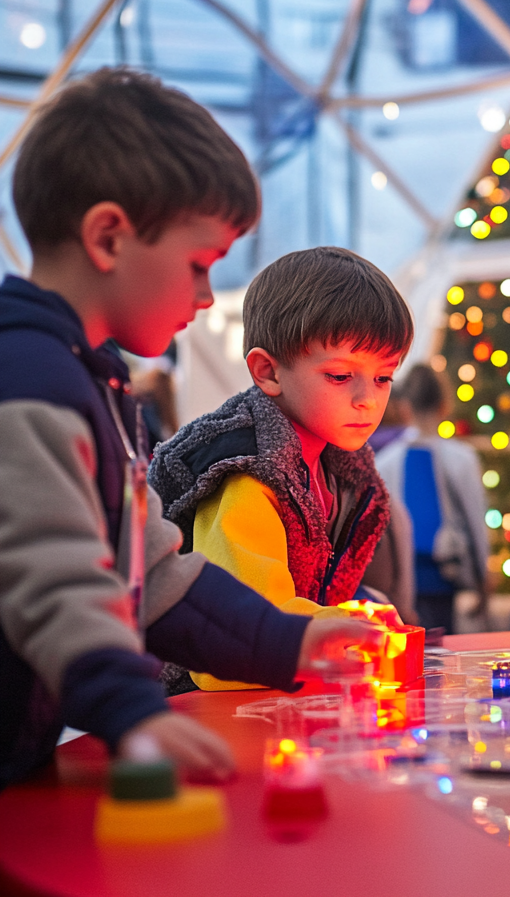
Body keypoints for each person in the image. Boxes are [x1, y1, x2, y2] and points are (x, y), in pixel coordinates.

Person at [0, 69, 381, 790]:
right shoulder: (28, 386)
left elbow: (157, 577)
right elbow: (54, 582)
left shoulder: (90, 382)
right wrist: (134, 713)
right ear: (109, 236)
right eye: (199, 265)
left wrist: (291, 640)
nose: (207, 298)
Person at [149, 247, 412, 689]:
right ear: (268, 372)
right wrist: (347, 622)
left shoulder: (342, 471)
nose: (368, 398)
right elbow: (233, 643)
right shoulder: (246, 473)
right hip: (196, 712)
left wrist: (362, 604)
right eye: (340, 375)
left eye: (383, 377)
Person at [375, 365, 488, 634]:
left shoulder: (385, 461)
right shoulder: (462, 458)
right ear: (444, 405)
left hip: (401, 577)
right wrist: (483, 583)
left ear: (404, 407)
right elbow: (476, 523)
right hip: (445, 574)